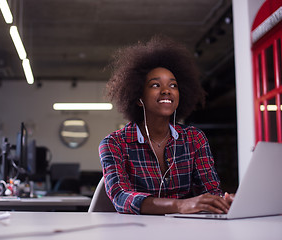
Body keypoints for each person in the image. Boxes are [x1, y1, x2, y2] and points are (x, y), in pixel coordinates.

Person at [99, 35, 233, 215]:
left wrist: (222, 201)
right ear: (138, 97)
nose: (166, 91)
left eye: (173, 85)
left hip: (184, 230)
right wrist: (179, 205)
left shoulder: (194, 138)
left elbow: (209, 190)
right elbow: (121, 197)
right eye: (155, 85)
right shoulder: (114, 144)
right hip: (135, 230)